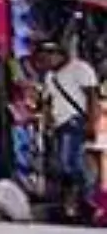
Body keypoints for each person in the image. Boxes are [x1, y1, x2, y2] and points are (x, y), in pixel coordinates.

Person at [31, 38, 97, 213]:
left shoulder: (80, 69)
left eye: (47, 58)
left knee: (68, 163)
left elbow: (91, 98)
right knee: (64, 163)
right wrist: (47, 121)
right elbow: (48, 101)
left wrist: (92, 122)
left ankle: (80, 196)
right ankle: (80, 196)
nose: (45, 62)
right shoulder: (50, 77)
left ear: (58, 55)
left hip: (75, 121)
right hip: (59, 123)